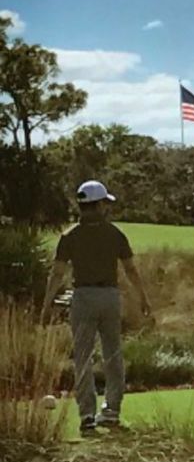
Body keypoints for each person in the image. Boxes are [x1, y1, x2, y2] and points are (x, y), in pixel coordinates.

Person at [45, 180, 151, 431]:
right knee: (113, 354)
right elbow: (131, 270)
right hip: (110, 298)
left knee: (83, 357)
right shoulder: (115, 234)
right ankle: (112, 410)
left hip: (82, 297)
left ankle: (87, 415)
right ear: (100, 205)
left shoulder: (69, 236)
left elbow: (57, 273)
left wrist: (46, 304)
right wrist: (143, 298)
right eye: (105, 203)